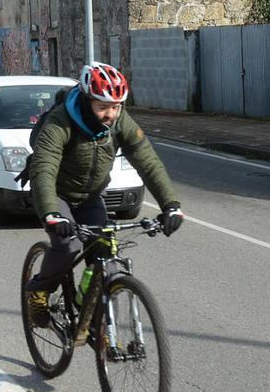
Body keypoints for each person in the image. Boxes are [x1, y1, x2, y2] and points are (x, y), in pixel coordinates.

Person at [25, 62, 184, 327]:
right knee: (68, 246)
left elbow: (147, 161)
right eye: (102, 107)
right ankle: (39, 291)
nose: (110, 114)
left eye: (116, 106)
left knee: (106, 255)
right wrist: (51, 213)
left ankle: (83, 305)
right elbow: (43, 167)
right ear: (87, 101)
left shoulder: (120, 121)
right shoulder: (60, 122)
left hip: (90, 195)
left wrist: (171, 204)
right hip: (57, 194)